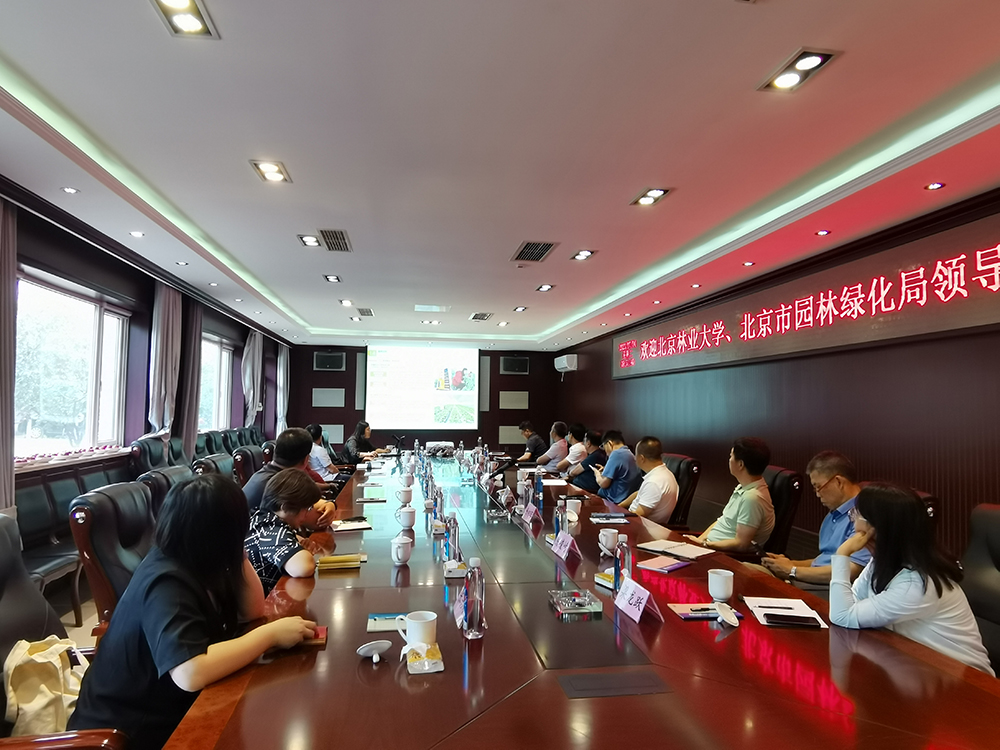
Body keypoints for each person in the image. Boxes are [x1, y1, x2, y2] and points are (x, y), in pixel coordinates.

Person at [68, 474, 316, 749]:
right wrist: (269, 636)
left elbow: (252, 611)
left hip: (174, 710)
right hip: (127, 733)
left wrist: (237, 551)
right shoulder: (165, 580)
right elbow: (190, 672)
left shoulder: (200, 558)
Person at [829, 482, 993, 675]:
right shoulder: (884, 561)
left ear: (877, 527)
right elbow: (852, 601)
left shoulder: (918, 583)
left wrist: (842, 554)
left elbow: (842, 616)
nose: (853, 522)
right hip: (917, 667)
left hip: (964, 680)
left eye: (856, 515)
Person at [760, 451, 870, 587]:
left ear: (838, 482)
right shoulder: (834, 515)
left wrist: (792, 570)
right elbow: (822, 561)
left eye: (818, 487)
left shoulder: (866, 514)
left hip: (834, 588)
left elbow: (850, 571)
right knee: (752, 571)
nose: (817, 494)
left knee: (754, 576)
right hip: (816, 582)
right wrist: (788, 564)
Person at [688, 437, 774, 552]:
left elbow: (741, 544)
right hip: (708, 548)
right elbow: (723, 521)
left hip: (724, 555)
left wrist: (705, 545)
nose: (729, 460)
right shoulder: (743, 487)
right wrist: (699, 541)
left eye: (731, 456)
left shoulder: (752, 498)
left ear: (740, 464)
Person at [245, 469, 320, 595]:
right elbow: (303, 567)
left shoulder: (263, 518)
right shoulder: (269, 530)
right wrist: (304, 552)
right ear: (285, 507)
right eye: (306, 508)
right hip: (265, 601)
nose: (307, 514)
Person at [242, 428, 336, 524]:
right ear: (306, 460)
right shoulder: (284, 483)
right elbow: (316, 520)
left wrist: (328, 503)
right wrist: (331, 505)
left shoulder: (264, 475)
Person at [618, 436, 678, 524]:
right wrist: (619, 506)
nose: (634, 458)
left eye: (635, 455)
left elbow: (638, 516)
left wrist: (616, 515)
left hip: (640, 527)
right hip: (634, 520)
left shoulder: (654, 482)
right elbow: (639, 493)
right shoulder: (665, 474)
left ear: (641, 458)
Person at [592, 430, 640, 504]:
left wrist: (597, 473)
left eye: (603, 447)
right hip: (624, 499)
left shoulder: (616, 454)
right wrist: (605, 470)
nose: (606, 452)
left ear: (609, 443)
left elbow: (603, 484)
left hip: (611, 501)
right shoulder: (629, 454)